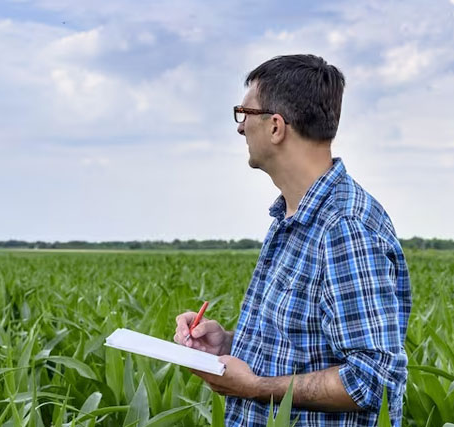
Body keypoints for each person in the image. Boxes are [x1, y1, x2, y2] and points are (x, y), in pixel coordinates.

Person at [173, 54, 411, 426]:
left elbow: (373, 381)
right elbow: (303, 350)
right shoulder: (292, 216)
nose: (239, 128)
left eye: (244, 112)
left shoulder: (344, 226)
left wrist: (254, 387)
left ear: (276, 127)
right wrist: (227, 344)